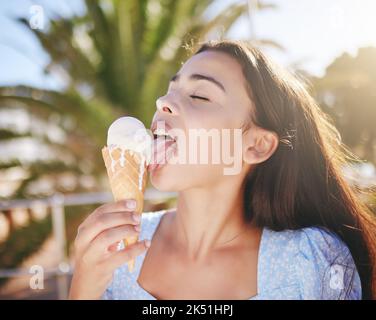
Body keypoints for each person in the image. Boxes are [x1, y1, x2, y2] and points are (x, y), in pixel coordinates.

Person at [69, 40, 376, 300]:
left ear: (256, 145)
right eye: (169, 90)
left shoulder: (311, 264)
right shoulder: (116, 250)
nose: (162, 101)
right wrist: (82, 288)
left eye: (199, 95)